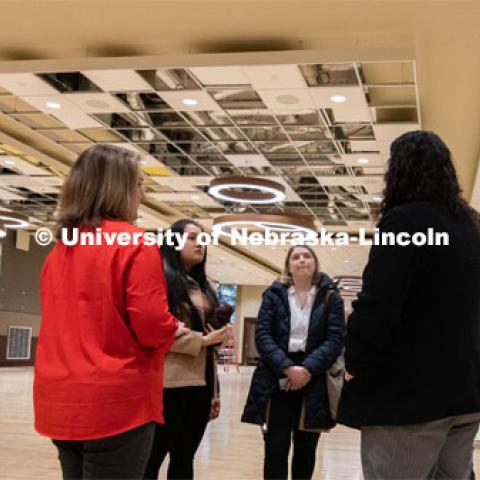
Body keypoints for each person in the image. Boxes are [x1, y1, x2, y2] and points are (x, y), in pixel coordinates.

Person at [33, 144, 183, 479]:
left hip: (60, 399)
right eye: (140, 183)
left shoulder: (61, 248)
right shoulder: (136, 244)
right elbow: (152, 326)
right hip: (116, 402)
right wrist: (174, 329)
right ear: (120, 187)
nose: (143, 194)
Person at [338, 131, 480, 479]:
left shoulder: (404, 222)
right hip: (466, 394)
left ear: (397, 171)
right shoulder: (471, 227)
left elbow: (379, 304)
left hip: (409, 400)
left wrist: (354, 360)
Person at [242, 245, 345, 480]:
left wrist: (306, 369)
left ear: (315, 263)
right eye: (295, 257)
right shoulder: (273, 294)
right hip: (277, 374)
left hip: (314, 377)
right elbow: (263, 336)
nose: (301, 260)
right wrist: (288, 368)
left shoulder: (331, 296)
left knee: (306, 449)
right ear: (288, 265)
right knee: (275, 448)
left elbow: (335, 339)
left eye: (307, 256)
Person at [144, 219, 231, 480]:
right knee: (152, 458)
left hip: (201, 382)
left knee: (184, 458)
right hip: (168, 382)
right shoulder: (158, 279)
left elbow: (205, 329)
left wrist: (218, 338)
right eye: (192, 237)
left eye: (202, 239)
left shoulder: (205, 286)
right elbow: (153, 330)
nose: (199, 244)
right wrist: (203, 341)